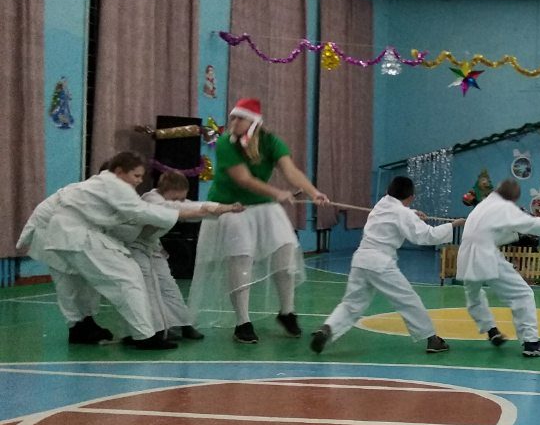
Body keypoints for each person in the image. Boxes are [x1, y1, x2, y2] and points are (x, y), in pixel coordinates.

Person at [15, 152, 228, 349]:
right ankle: (143, 335)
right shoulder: (112, 184)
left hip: (56, 235)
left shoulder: (90, 187)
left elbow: (147, 213)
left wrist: (207, 210)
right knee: (127, 277)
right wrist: (202, 212)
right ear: (118, 172)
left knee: (76, 284)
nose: (139, 181)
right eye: (136, 175)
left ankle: (81, 326)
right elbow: (144, 212)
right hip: (69, 235)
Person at [187, 98, 328, 344]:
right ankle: (242, 322)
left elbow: (290, 170)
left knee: (286, 251)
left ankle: (287, 312)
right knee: (240, 260)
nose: (233, 122)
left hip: (263, 207)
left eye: (239, 118)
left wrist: (313, 192)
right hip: (231, 207)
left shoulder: (271, 142)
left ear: (254, 122)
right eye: (232, 117)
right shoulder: (226, 143)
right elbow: (243, 179)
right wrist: (277, 193)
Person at [311, 177, 466, 355]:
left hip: (360, 260)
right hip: (381, 263)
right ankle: (432, 339)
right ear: (411, 197)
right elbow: (427, 236)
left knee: (351, 304)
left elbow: (395, 213)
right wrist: (453, 225)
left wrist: (412, 213)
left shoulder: (381, 204)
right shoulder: (403, 213)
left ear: (388, 191)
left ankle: (328, 328)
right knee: (408, 300)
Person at [457, 178, 540, 357]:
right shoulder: (503, 207)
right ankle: (531, 343)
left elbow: (491, 230)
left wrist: (515, 237)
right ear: (513, 198)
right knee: (522, 294)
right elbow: (531, 223)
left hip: (465, 255)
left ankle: (490, 330)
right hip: (486, 255)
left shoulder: (483, 206)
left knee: (474, 296)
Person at [114, 172, 241, 341]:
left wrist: (225, 208)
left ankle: (183, 324)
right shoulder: (151, 199)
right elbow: (175, 208)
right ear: (165, 190)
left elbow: (193, 206)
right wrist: (218, 208)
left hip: (153, 247)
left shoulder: (175, 203)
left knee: (169, 286)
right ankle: (150, 331)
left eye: (182, 198)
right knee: (147, 290)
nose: (180, 202)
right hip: (134, 248)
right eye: (177, 197)